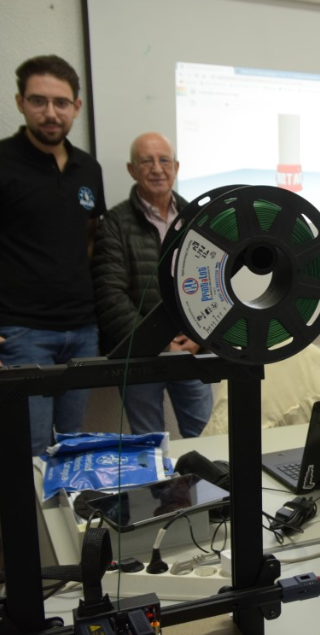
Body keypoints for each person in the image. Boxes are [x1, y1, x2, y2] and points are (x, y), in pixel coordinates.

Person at [0, 55, 104, 455]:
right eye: (39, 101)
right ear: (20, 102)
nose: (50, 113)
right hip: (21, 335)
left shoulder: (89, 168)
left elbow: (89, 239)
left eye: (61, 103)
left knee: (71, 449)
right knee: (29, 454)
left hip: (83, 332)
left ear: (77, 107)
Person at [92, 133, 213, 438]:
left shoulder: (197, 217)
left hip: (192, 352)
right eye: (146, 161)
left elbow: (214, 284)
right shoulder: (115, 223)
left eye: (164, 160)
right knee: (149, 448)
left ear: (177, 166)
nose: (157, 168)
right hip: (141, 357)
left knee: (209, 438)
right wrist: (159, 343)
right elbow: (110, 296)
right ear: (132, 169)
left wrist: (199, 337)